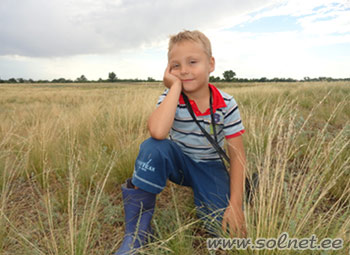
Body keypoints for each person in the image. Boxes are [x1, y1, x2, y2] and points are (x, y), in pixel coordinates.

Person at [115, 30, 247, 255]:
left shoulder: (226, 103)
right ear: (168, 70)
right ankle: (136, 234)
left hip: (210, 167)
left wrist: (235, 205)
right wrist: (174, 88)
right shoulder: (170, 98)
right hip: (180, 164)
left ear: (211, 64)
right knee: (153, 147)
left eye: (193, 62)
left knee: (224, 230)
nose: (184, 70)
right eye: (176, 65)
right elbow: (157, 131)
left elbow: (237, 156)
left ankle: (217, 200)